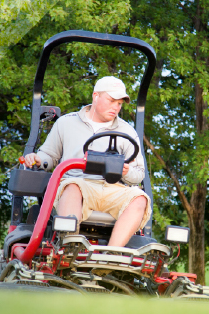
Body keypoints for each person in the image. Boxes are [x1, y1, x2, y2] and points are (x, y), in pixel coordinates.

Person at [19, 76, 150, 248]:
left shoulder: (127, 131)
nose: (116, 107)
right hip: (77, 184)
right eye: (111, 101)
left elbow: (139, 173)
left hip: (112, 188)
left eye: (119, 103)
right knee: (73, 186)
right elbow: (49, 156)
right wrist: (38, 159)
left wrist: (126, 172)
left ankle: (112, 254)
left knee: (140, 198)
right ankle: (70, 247)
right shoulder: (66, 123)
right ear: (96, 96)